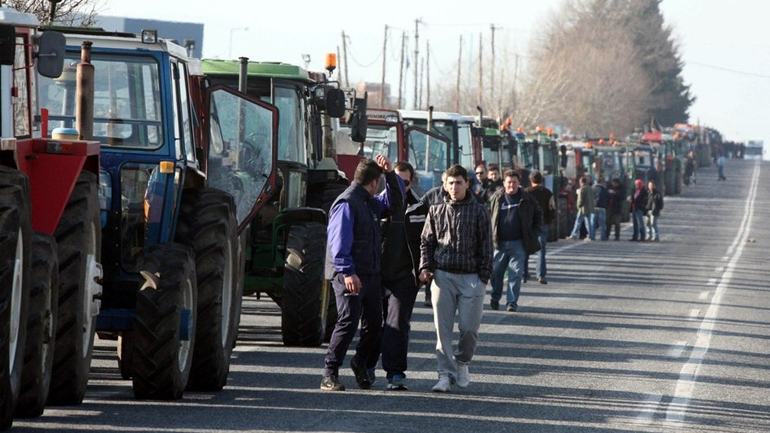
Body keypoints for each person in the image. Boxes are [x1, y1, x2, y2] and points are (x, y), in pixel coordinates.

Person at [321, 155, 404, 392]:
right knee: (347, 322)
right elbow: (339, 244)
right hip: (349, 275)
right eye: (381, 180)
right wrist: (348, 272)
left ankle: (361, 363)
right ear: (374, 182)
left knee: (375, 325)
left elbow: (395, 204)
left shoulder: (368, 201)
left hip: (370, 274)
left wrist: (390, 174)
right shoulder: (348, 203)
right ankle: (330, 373)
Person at [419, 164, 493, 392]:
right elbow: (426, 242)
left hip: (471, 277)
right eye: (450, 183)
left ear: (467, 184)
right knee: (442, 331)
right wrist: (426, 268)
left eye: (459, 182)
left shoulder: (480, 211)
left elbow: (487, 247)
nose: (454, 187)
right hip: (443, 277)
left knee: (469, 329)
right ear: (444, 185)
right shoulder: (436, 210)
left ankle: (462, 362)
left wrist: (483, 277)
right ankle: (444, 374)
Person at [379, 162, 425, 390]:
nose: (399, 186)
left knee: (396, 324)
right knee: (372, 324)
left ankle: (395, 372)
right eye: (395, 181)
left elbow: (427, 242)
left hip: (405, 276)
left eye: (404, 183)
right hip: (376, 274)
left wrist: (423, 269)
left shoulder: (420, 208)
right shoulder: (377, 203)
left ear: (412, 182)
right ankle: (366, 365)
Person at [488, 170, 543, 312]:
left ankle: (511, 302)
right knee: (496, 272)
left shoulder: (527, 198)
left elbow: (539, 215)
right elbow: (488, 215)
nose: (511, 185)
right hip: (499, 243)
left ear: (519, 183)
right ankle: (495, 297)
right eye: (509, 182)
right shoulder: (496, 198)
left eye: (514, 182)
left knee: (516, 274)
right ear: (504, 183)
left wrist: (533, 233)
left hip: (519, 243)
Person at [523, 171, 554, 284]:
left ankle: (524, 274)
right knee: (541, 249)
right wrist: (550, 221)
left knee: (525, 249)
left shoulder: (526, 192)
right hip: (542, 223)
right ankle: (540, 275)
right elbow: (552, 208)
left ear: (531, 180)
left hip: (528, 224)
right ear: (542, 180)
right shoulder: (547, 193)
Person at [567, 176, 595, 241]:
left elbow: (580, 199)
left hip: (583, 208)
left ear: (581, 182)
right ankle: (590, 236)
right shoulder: (590, 188)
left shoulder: (582, 189)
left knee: (578, 222)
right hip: (589, 208)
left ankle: (573, 235)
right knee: (588, 223)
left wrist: (578, 206)